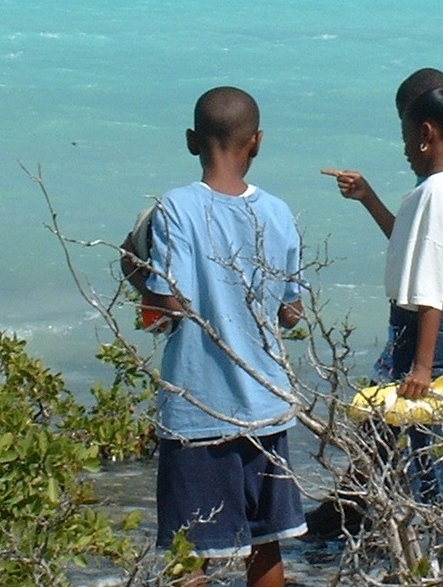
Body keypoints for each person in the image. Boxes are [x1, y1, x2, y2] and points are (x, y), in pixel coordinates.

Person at [125, 86, 307, 587]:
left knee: (189, 554)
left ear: (191, 141)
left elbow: (172, 303)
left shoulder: (176, 209)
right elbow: (292, 312)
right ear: (258, 142)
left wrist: (132, 269)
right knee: (266, 545)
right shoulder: (279, 212)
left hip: (197, 410)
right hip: (266, 405)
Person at [321, 69, 443, 489]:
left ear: (426, 133)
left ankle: (423, 511)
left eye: (406, 138)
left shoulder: (432, 194)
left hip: (425, 324)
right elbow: (418, 250)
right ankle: (425, 508)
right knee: (441, 411)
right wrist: (368, 196)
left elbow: (429, 281)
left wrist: (422, 365)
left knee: (416, 421)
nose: (405, 149)